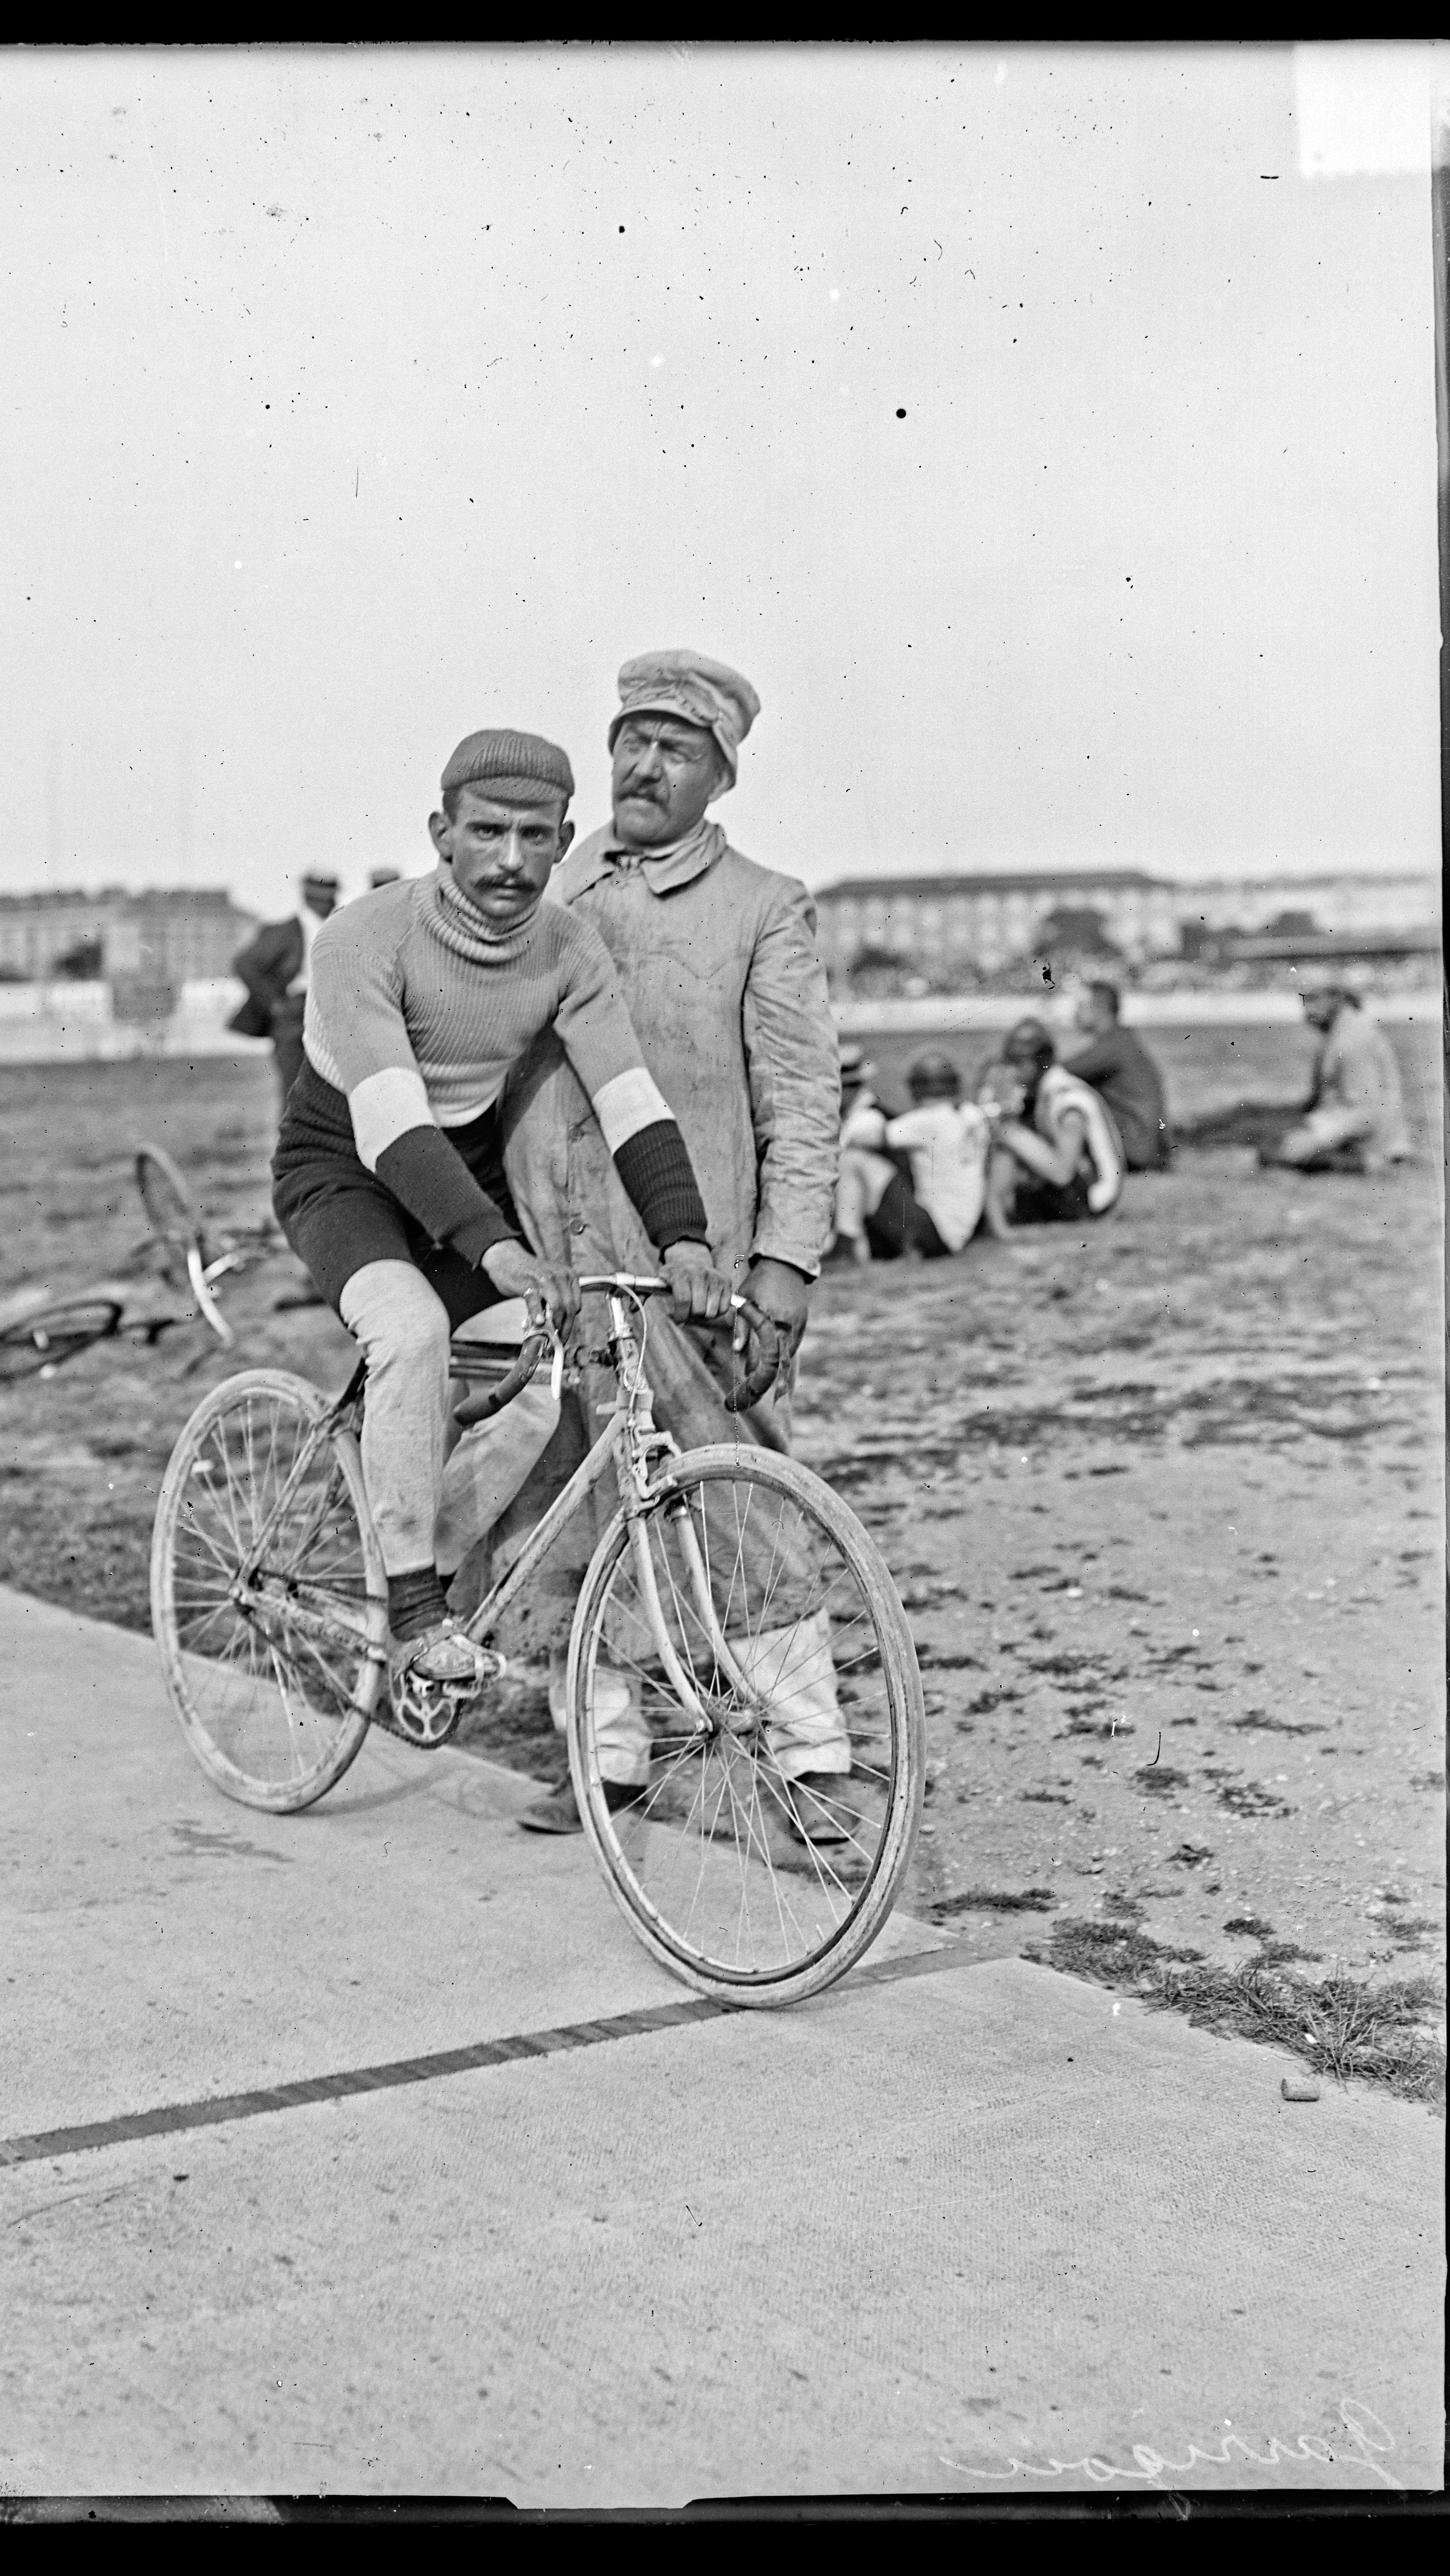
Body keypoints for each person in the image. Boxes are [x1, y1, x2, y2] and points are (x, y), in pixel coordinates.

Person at [269, 728, 731, 1723]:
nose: (512, 861)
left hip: (459, 1172)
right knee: (412, 1332)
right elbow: (390, 1125)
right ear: (442, 832)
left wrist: (684, 1238)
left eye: (535, 836)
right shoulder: (360, 937)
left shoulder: (569, 948)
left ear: (565, 837)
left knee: (531, 1388)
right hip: (346, 1163)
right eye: (486, 832)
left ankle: (420, 1582)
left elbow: (633, 1101)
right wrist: (496, 1248)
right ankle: (412, 1610)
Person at [495, 649, 858, 1857]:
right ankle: (601, 1753)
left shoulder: (763, 905)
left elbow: (803, 1106)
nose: (643, 765)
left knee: (732, 1493)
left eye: (675, 749)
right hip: (553, 1254)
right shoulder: (547, 884)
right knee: (558, 1495)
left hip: (687, 1266)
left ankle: (810, 1758)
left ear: (720, 776)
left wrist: (785, 1271)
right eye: (630, 739)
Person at [825, 1046, 987, 1261]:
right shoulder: (973, 1114)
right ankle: (852, 1242)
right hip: (962, 1230)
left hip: (934, 1232)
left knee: (854, 1159)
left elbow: (864, 1140)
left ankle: (847, 1241)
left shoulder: (927, 1119)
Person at [1258, 970, 1412, 1172]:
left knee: (1273, 1149)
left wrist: (1315, 1138)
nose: (1307, 1011)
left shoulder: (1351, 1040)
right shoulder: (1344, 1032)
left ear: (1338, 998)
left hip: (1369, 1142)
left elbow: (1366, 1112)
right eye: (1304, 1001)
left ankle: (1366, 1163)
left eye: (1314, 1000)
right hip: (1346, 1127)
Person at [982, 1018, 1125, 1232]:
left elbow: (1062, 1173)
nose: (1013, 1072)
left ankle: (998, 1226)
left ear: (1041, 1061)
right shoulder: (1047, 1092)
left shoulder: (1068, 1101)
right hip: (1080, 1191)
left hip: (1094, 1200)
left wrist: (1010, 1133)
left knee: (1007, 1140)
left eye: (1019, 1064)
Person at [228, 873, 341, 1114]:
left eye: (329, 897)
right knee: (295, 1093)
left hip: (336, 1014)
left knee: (335, 1094)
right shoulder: (284, 932)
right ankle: (291, 1151)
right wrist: (275, 1005)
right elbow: (245, 964)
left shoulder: (341, 926)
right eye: (319, 898)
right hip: (296, 1016)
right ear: (307, 897)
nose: (326, 903)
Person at [1061, 978, 1172, 1171]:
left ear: (1098, 1009)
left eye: (1081, 1007)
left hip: (1138, 1149)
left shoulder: (1115, 1045)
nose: (1074, 1014)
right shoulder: (1122, 1040)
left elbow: (1061, 1072)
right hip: (1146, 1146)